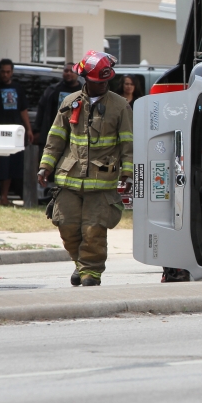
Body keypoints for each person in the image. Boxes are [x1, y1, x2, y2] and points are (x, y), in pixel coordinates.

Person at [38, 50, 133, 287]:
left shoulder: (120, 106)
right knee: (66, 225)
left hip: (102, 181)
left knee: (93, 230)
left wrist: (127, 173)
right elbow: (56, 137)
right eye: (98, 81)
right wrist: (45, 166)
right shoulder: (70, 103)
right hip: (69, 178)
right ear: (86, 79)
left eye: (106, 81)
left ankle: (91, 272)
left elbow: (128, 143)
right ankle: (80, 264)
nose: (103, 85)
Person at [0, 58, 33, 206]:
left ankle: (4, 198)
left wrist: (28, 129)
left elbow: (23, 110)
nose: (5, 75)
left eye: (8, 72)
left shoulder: (18, 88)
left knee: (10, 167)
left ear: (12, 72)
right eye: (3, 72)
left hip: (14, 133)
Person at [34, 64, 80, 149]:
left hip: (75, 135)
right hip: (54, 133)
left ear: (77, 73)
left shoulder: (83, 91)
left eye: (72, 71)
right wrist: (37, 130)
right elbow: (41, 110)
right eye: (66, 71)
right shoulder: (52, 90)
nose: (68, 73)